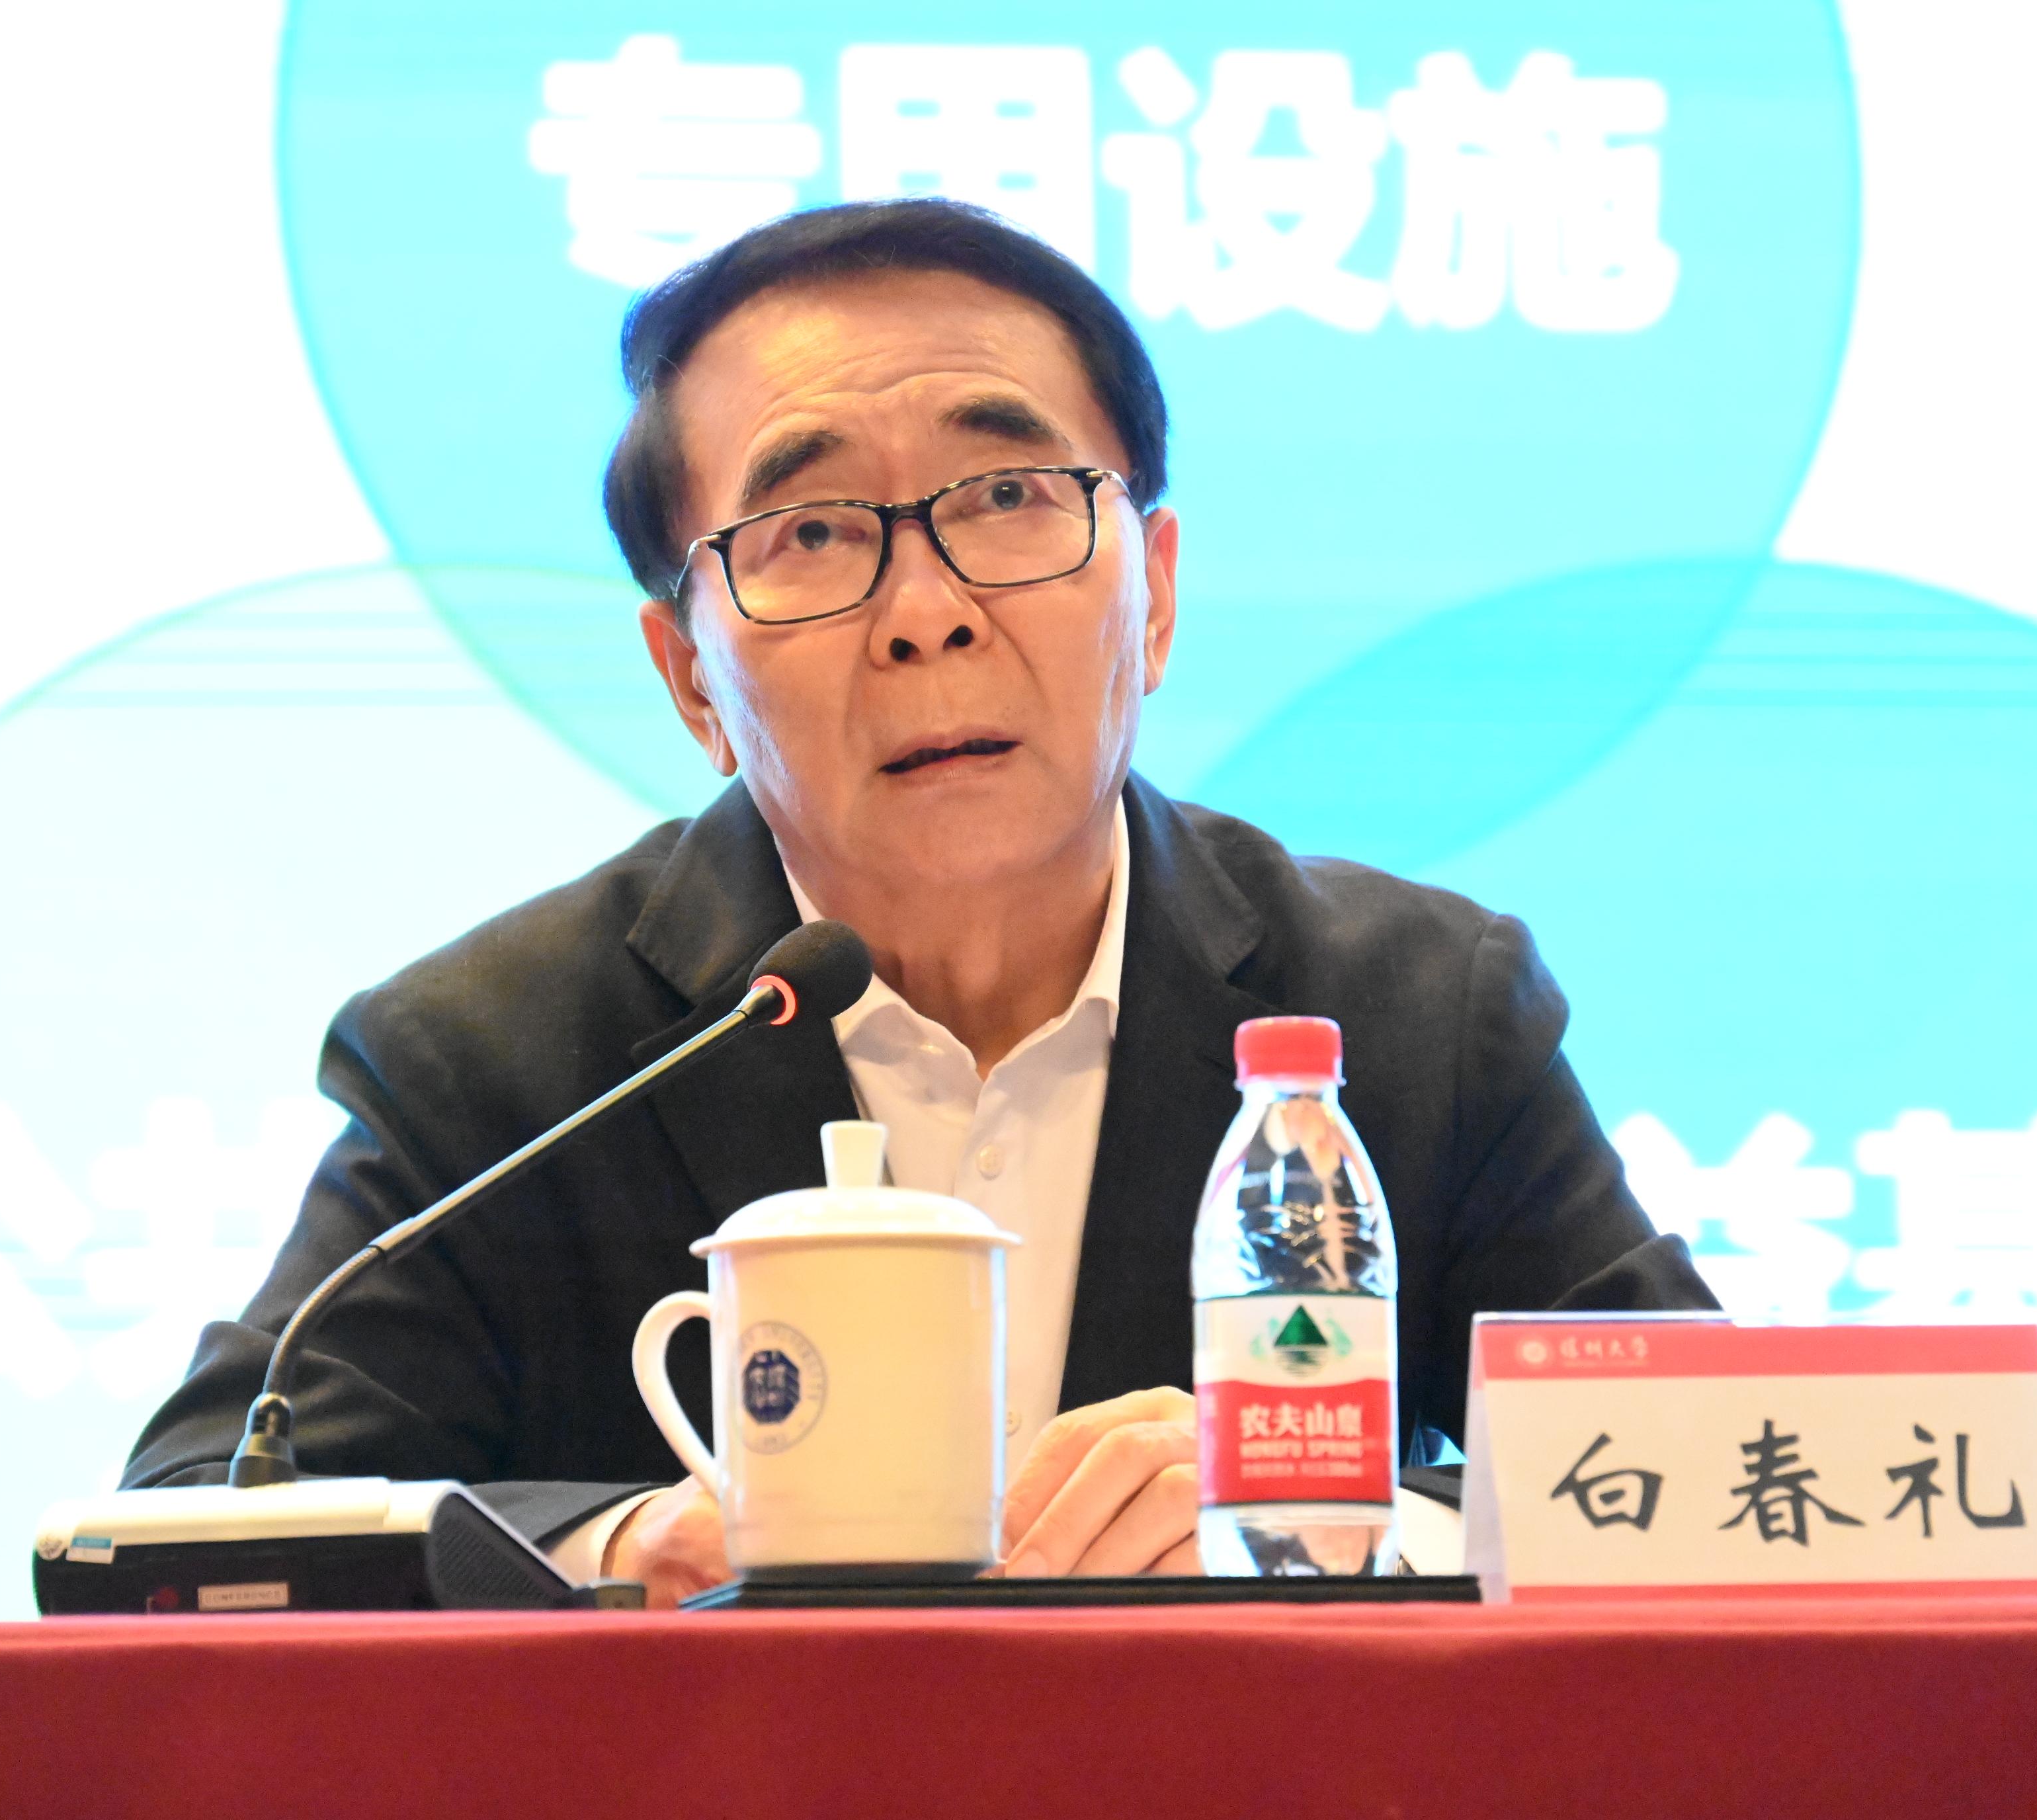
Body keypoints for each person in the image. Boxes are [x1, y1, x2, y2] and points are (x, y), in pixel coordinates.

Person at [123, 198, 1716, 1604]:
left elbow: (1722, 1482)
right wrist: (616, 1547)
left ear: (1155, 590)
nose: (929, 613)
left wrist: (1334, 1509)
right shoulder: (501, 1059)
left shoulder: (1413, 1011)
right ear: (690, 676)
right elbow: (192, 1527)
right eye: (812, 532)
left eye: (1010, 496)